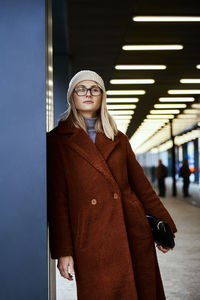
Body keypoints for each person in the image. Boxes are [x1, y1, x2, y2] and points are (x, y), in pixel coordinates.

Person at [47, 70, 177, 300]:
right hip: (91, 236)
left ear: (102, 96)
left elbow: (142, 186)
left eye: (94, 89)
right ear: (72, 97)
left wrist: (165, 228)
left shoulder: (118, 137)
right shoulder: (57, 140)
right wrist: (64, 252)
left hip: (132, 230)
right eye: (81, 89)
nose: (88, 93)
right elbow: (58, 201)